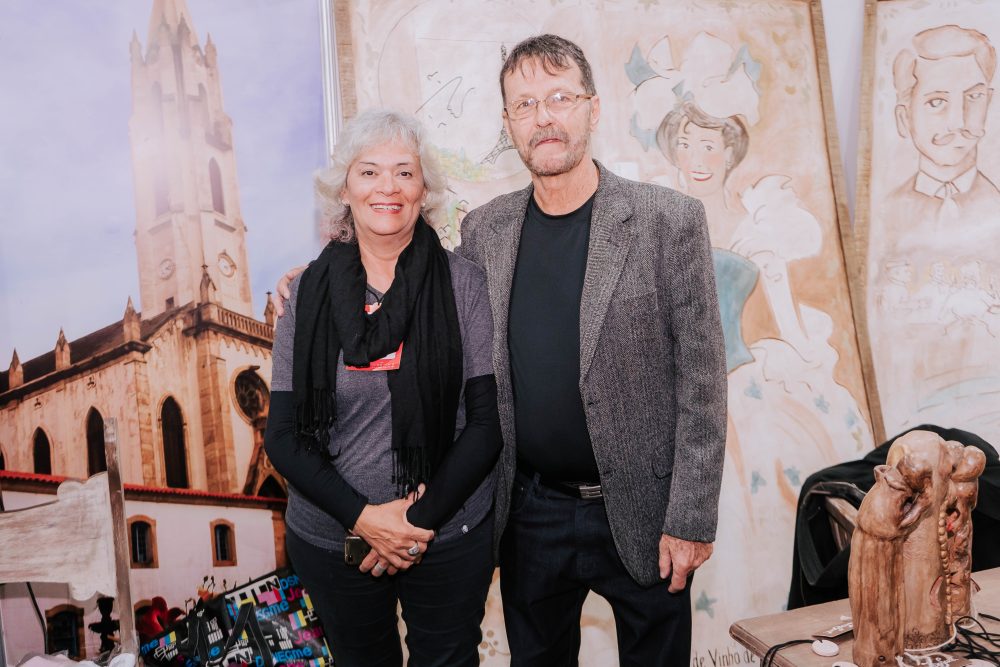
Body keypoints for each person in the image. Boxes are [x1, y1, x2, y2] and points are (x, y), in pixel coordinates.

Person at [276, 35, 726, 665]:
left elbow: (704, 382)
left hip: (643, 510)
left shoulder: (667, 220)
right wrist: (319, 278)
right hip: (530, 513)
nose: (544, 118)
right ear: (509, 123)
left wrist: (691, 518)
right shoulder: (488, 230)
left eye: (560, 98)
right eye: (525, 105)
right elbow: (409, 279)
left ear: (593, 109)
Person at [263, 109, 502, 667]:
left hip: (446, 534)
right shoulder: (306, 294)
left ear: (424, 190)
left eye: (404, 172)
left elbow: (486, 426)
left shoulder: (464, 284)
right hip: (334, 540)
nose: (387, 187)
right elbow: (283, 438)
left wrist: (411, 526)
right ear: (344, 189)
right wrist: (367, 520)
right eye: (369, 172)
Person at [887, 24, 1000, 227]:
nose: (958, 122)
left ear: (988, 103)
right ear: (904, 119)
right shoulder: (886, 214)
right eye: (936, 102)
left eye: (974, 96)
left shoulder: (995, 203)